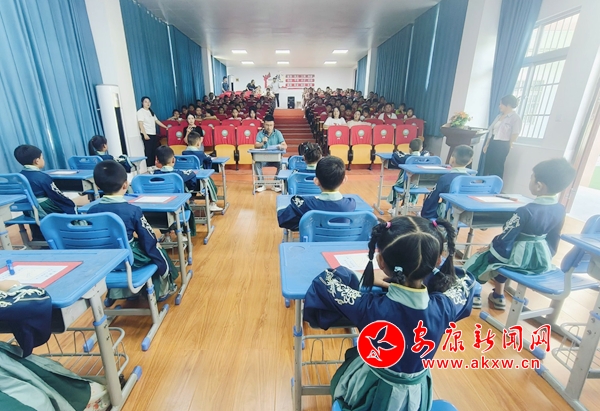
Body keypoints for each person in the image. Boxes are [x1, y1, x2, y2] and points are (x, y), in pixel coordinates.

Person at [303, 216, 474, 410]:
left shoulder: (369, 307)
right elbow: (466, 281)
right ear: (437, 261)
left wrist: (362, 277)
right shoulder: (445, 307)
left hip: (371, 393)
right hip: (417, 397)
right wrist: (427, 277)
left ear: (380, 261)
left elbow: (326, 282)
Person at [464, 158, 576, 310]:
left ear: (539, 186)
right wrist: (546, 256)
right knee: (504, 260)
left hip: (518, 259)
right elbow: (554, 237)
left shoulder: (525, 211)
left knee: (482, 258)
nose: (530, 180)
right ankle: (498, 295)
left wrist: (490, 248)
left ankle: (474, 293)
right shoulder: (560, 209)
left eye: (532, 177)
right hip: (540, 259)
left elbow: (506, 239)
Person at [88, 160, 178, 301]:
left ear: (98, 185)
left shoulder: (91, 211)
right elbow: (147, 238)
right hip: (129, 257)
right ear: (125, 185)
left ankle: (117, 294)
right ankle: (163, 290)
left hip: (104, 258)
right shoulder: (132, 210)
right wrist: (156, 246)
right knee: (157, 252)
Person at [277, 156, 356, 230]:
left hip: (312, 240)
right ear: (344, 180)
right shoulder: (350, 204)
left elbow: (283, 219)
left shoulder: (305, 204)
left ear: (316, 181)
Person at [14, 145, 76, 216]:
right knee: (69, 205)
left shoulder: (17, 177)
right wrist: (69, 203)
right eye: (42, 158)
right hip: (42, 209)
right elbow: (56, 196)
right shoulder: (42, 177)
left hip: (27, 210)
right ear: (37, 161)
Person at [420, 145, 474, 220]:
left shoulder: (445, 179)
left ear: (452, 159)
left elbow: (432, 199)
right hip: (465, 216)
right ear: (470, 161)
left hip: (448, 214)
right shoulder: (472, 180)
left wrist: (426, 214)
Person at [482, 95, 522, 179]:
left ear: (508, 105)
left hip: (503, 144)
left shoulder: (515, 118)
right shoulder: (498, 116)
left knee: (497, 166)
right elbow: (491, 130)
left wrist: (509, 144)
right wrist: (487, 144)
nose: (499, 106)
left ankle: (496, 185)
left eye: (501, 104)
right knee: (488, 164)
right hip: (493, 142)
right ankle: (485, 183)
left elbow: (515, 133)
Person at [181, 132, 223, 212]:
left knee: (193, 185)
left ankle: (192, 201)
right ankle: (212, 203)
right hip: (200, 179)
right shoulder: (200, 153)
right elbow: (208, 160)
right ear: (198, 143)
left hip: (188, 179)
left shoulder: (183, 153)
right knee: (211, 185)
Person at [387, 139, 430, 207]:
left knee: (399, 184)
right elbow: (426, 153)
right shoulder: (425, 158)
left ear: (409, 149)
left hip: (404, 184)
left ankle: (394, 206)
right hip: (419, 184)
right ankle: (411, 203)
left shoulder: (407, 158)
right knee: (415, 180)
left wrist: (405, 154)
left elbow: (395, 154)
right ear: (421, 148)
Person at [253, 114, 287, 192]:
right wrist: (262, 143)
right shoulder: (260, 134)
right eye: (267, 125)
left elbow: (285, 145)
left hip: (275, 159)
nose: (269, 127)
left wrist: (281, 146)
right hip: (263, 159)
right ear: (264, 124)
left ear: (273, 124)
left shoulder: (278, 133)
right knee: (257, 164)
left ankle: (276, 184)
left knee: (282, 164)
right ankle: (261, 184)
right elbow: (256, 145)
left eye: (271, 125)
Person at [137, 96, 169, 167]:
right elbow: (140, 124)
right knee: (148, 151)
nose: (147, 103)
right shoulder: (140, 112)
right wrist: (145, 134)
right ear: (142, 103)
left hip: (153, 134)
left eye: (149, 102)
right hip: (147, 134)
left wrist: (165, 127)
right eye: (146, 102)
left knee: (154, 150)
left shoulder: (151, 112)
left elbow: (157, 121)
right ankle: (149, 166)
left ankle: (154, 165)